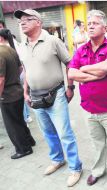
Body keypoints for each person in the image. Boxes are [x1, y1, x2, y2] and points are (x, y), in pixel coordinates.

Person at [14, 9, 82, 187]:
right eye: (21, 20)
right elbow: (27, 71)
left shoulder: (52, 41)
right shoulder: (23, 45)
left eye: (27, 19)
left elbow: (70, 64)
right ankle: (58, 159)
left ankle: (75, 168)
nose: (22, 23)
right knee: (48, 133)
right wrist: (26, 92)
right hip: (35, 97)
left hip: (56, 94)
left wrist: (70, 87)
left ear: (38, 22)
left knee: (64, 133)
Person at [68, 10, 107, 190]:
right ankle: (97, 171)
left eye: (95, 23)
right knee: (97, 145)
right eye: (89, 24)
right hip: (89, 109)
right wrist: (97, 74)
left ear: (105, 28)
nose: (91, 26)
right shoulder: (81, 49)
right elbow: (71, 73)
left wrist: (84, 69)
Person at [0, 28, 35, 159]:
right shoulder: (11, 50)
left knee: (12, 125)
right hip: (17, 90)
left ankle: (23, 149)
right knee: (19, 120)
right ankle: (29, 141)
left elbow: (1, 79)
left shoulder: (1, 52)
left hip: (8, 94)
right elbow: (21, 69)